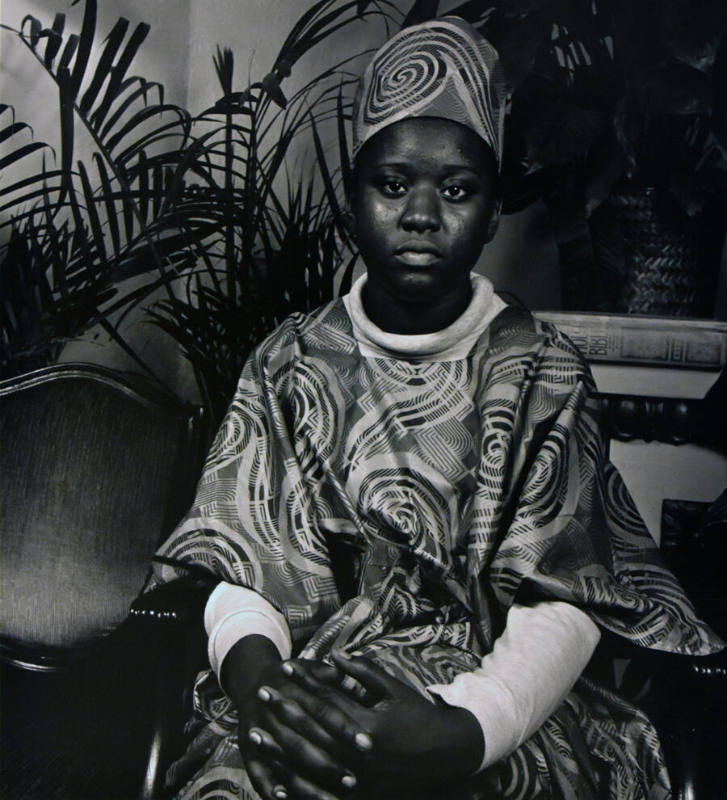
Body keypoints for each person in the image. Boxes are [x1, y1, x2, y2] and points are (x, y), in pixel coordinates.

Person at [147, 17, 723, 800]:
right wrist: (268, 697)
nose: (420, 214)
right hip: (309, 683)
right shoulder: (289, 363)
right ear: (352, 199)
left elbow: (564, 599)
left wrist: (467, 729)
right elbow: (241, 565)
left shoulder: (541, 375)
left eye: (455, 190)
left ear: (491, 213)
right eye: (390, 186)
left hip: (497, 695)